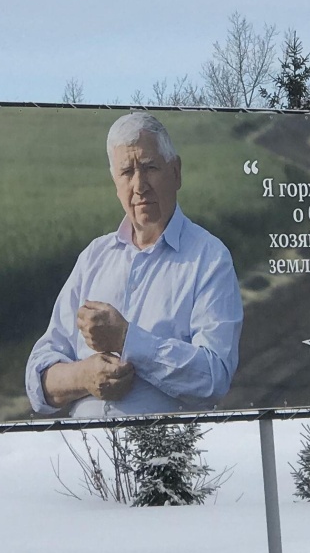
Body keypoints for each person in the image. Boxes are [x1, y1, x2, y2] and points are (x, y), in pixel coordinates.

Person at [25, 111, 243, 418]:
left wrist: (128, 340)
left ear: (176, 172)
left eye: (150, 167)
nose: (139, 186)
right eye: (127, 172)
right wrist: (83, 376)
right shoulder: (94, 258)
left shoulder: (209, 258)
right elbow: (38, 380)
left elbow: (214, 377)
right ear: (115, 183)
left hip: (165, 456)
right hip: (85, 455)